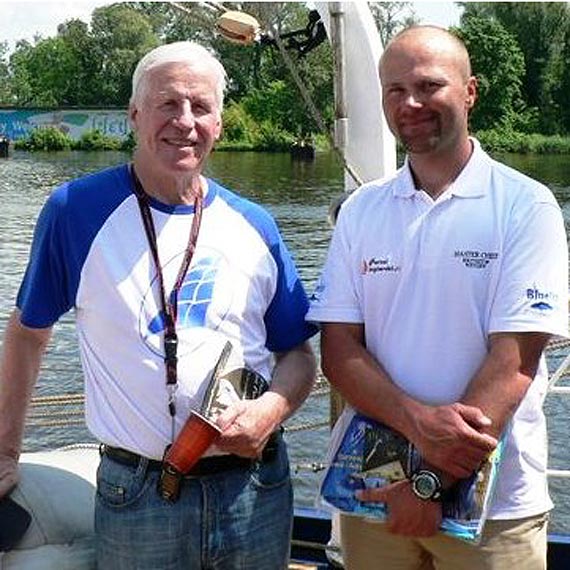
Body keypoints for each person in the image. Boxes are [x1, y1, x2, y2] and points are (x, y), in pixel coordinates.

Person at [0, 41, 317, 569]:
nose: (185, 122)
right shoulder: (75, 212)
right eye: (168, 104)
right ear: (134, 115)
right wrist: (6, 451)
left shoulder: (255, 225)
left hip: (255, 489)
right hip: (139, 496)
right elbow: (29, 335)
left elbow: (299, 356)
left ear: (220, 122)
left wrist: (270, 411)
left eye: (201, 107)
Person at [307, 25, 568, 570]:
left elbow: (515, 360)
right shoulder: (362, 211)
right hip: (374, 494)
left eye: (429, 86)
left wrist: (428, 483)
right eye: (395, 90)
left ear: (470, 91)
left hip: (494, 510)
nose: (411, 104)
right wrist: (417, 434)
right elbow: (339, 350)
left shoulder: (526, 206)